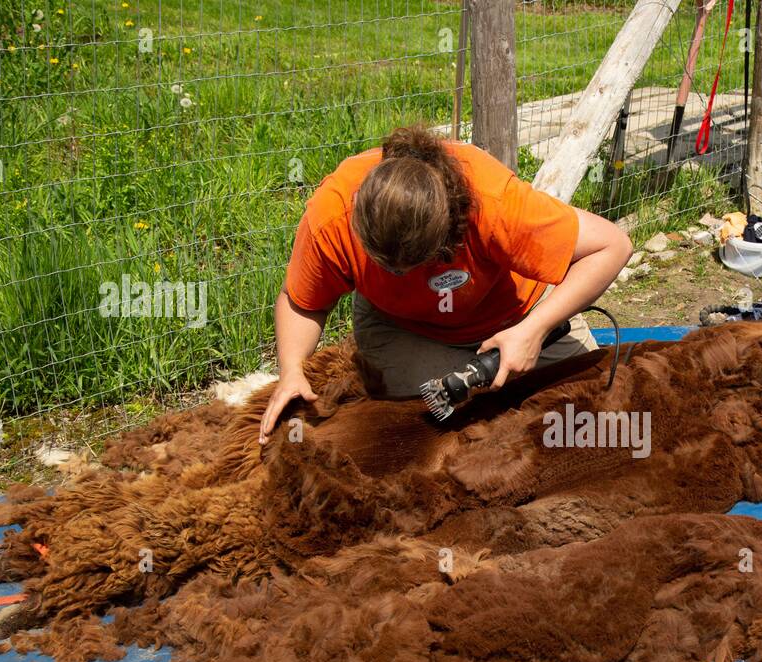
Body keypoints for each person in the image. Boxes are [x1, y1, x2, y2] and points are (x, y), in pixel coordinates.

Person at [259, 126, 632, 442]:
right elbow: (304, 301)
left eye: (412, 266)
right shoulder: (332, 213)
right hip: (404, 329)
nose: (401, 277)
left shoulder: (492, 201)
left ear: (451, 227)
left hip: (517, 311)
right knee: (418, 430)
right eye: (385, 266)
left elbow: (612, 245)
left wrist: (535, 330)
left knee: (591, 412)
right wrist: (291, 369)